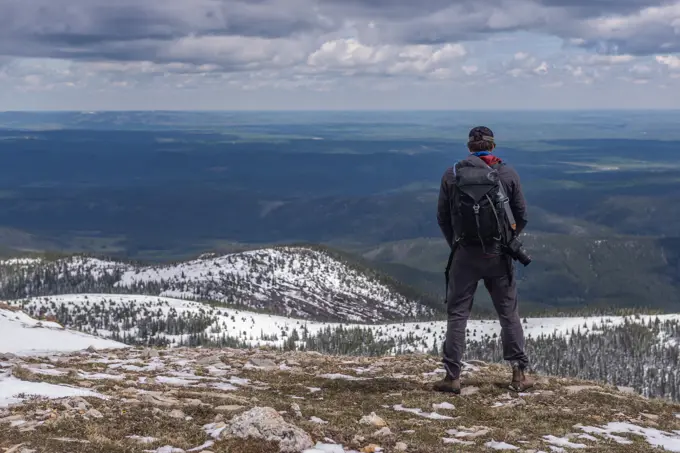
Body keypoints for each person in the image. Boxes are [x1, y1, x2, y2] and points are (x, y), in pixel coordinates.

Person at [434, 126, 534, 394]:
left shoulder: (452, 174)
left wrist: (456, 243)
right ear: (492, 146)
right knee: (507, 314)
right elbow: (521, 215)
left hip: (464, 254)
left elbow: (443, 217)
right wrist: (507, 238)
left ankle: (452, 377)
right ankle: (518, 374)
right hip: (498, 254)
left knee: (457, 315)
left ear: (469, 147)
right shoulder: (507, 173)